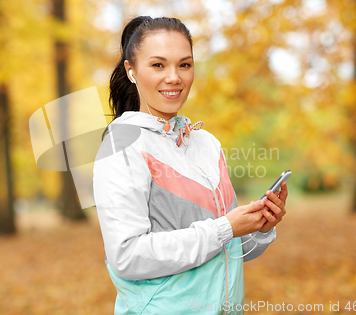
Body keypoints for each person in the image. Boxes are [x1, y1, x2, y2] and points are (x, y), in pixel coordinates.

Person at [93, 16, 288, 315]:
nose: (174, 77)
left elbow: (227, 251)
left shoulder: (206, 143)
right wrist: (224, 229)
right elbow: (127, 256)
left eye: (184, 65)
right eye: (158, 65)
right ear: (131, 71)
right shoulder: (122, 146)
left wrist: (259, 227)